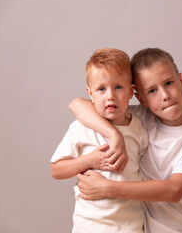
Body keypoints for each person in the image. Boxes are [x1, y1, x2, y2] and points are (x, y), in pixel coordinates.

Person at [70, 48, 182, 233]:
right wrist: (113, 134)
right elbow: (77, 104)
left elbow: (174, 190)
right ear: (140, 98)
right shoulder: (142, 118)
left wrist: (107, 187)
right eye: (152, 91)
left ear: (181, 81)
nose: (165, 95)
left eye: (169, 83)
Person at [50, 48, 148, 233]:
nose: (110, 95)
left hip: (131, 225)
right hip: (89, 226)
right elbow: (56, 170)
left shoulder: (139, 129)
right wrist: (88, 161)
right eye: (101, 89)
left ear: (130, 91)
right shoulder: (81, 127)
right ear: (90, 93)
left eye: (118, 87)